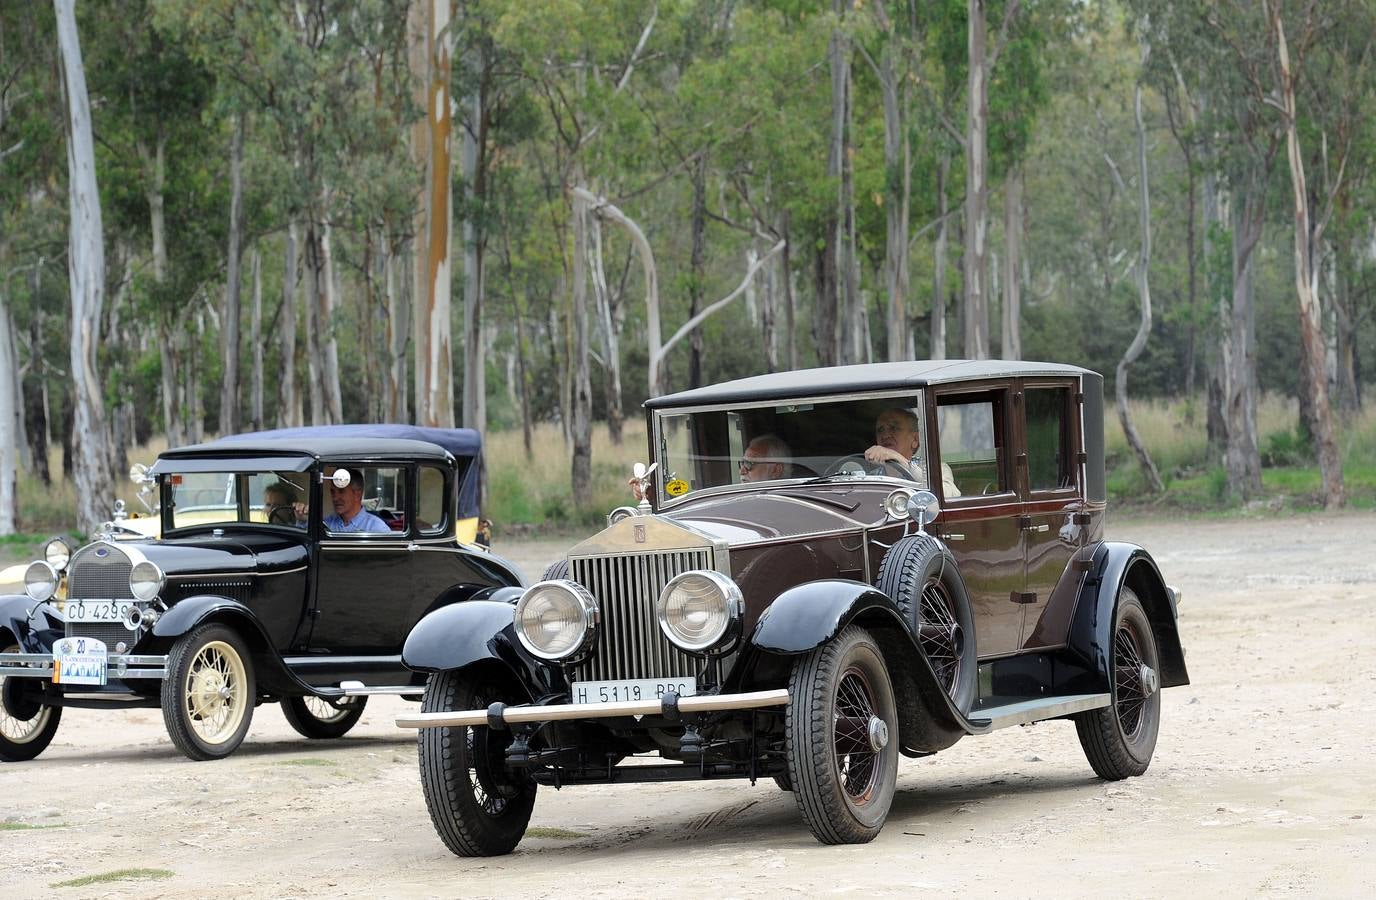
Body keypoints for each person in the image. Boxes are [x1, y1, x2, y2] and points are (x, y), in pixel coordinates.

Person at [863, 407, 961, 497]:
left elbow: (951, 495)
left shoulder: (936, 469)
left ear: (915, 440)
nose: (885, 435)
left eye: (893, 428)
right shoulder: (869, 476)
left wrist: (901, 461)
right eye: (880, 430)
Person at [320, 468, 391, 533]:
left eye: (341, 491)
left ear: (357, 494)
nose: (335, 498)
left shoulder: (377, 529)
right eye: (332, 492)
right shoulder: (326, 524)